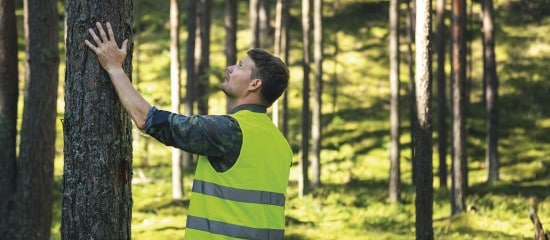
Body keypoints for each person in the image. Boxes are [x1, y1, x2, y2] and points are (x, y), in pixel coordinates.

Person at [85, 22, 292, 239]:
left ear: (254, 84)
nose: (230, 68)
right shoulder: (281, 144)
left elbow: (146, 118)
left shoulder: (230, 131)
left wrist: (115, 68)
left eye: (240, 66)